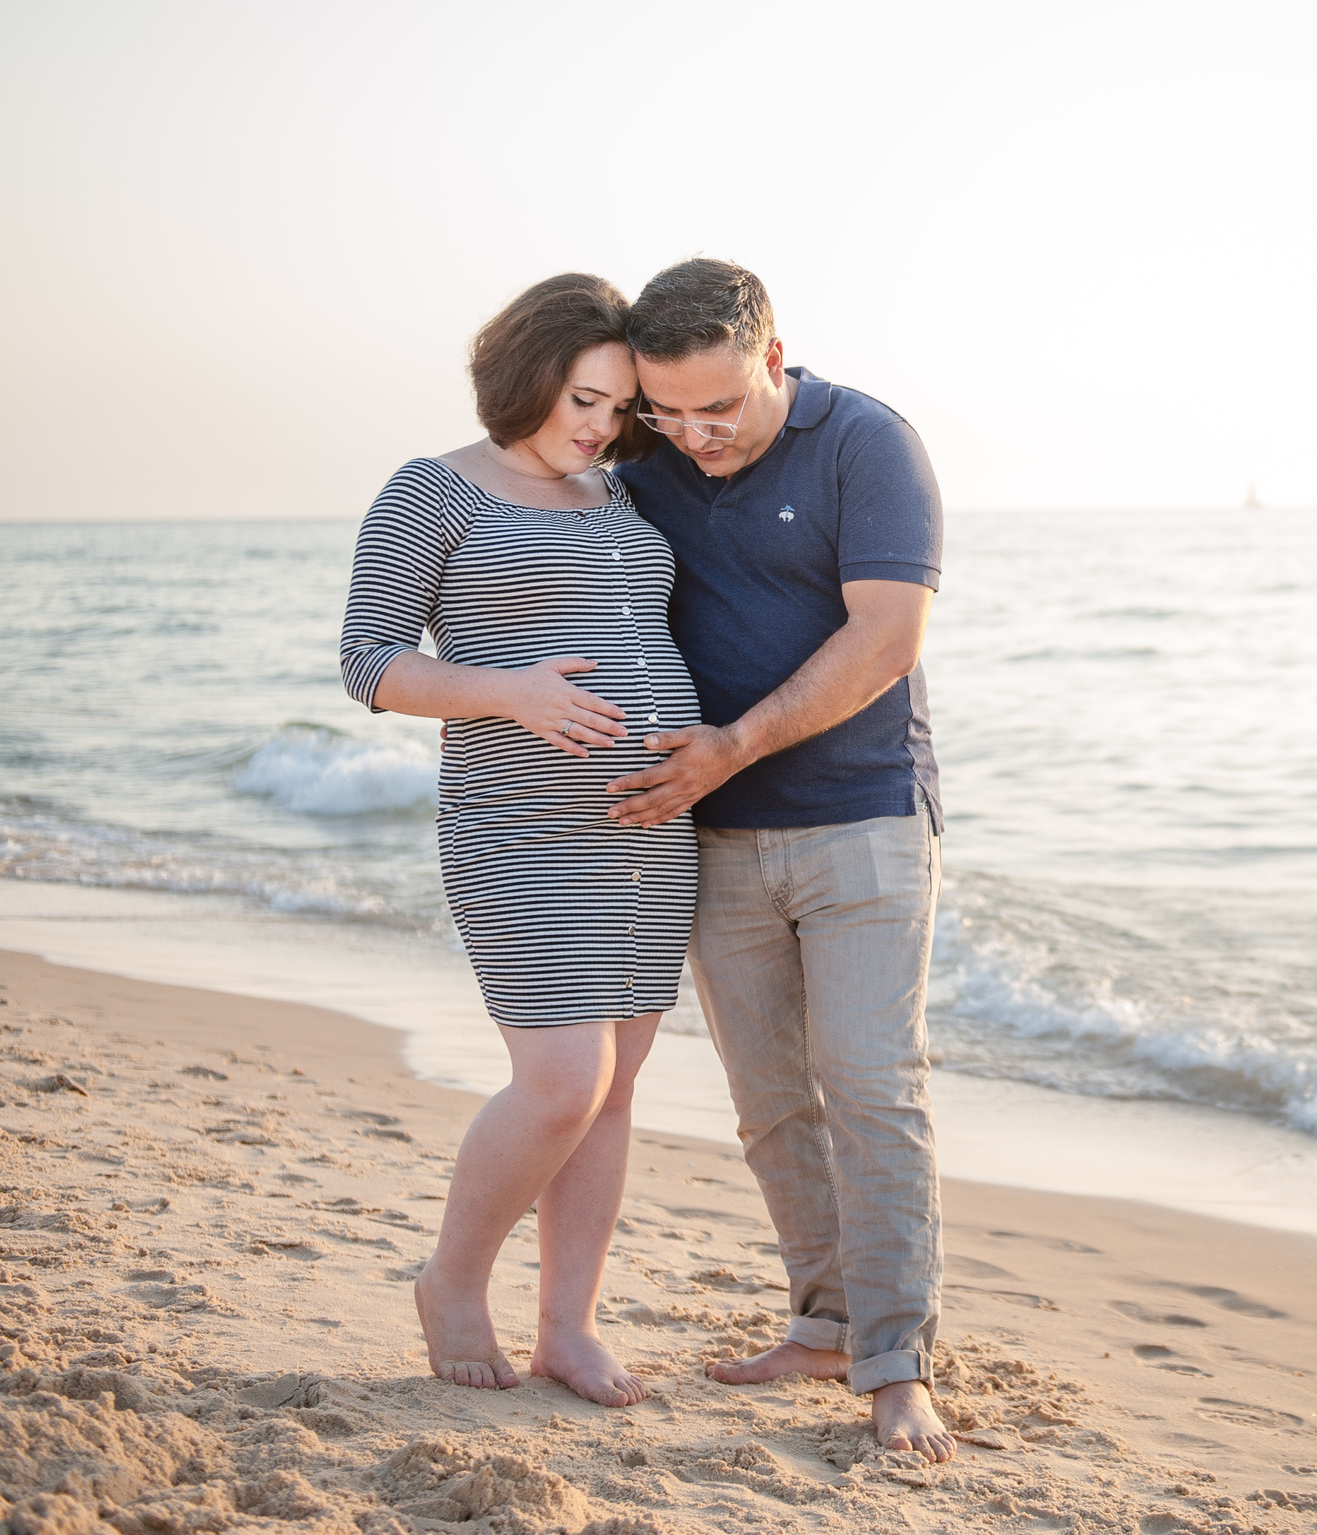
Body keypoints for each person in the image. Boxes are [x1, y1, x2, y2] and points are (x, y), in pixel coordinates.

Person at [606, 257, 953, 1460]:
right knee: (768, 1101)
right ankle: (823, 1318)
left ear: (773, 356)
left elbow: (888, 637)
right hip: (714, 839)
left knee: (869, 1082)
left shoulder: (865, 440)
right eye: (667, 411)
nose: (693, 436)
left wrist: (732, 746)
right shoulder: (645, 455)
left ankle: (895, 1360)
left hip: (861, 814)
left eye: (719, 407)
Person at [339, 273, 696, 1408]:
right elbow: (371, 661)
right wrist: (510, 693)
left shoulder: (622, 495)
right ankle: (450, 1280)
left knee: (617, 1085)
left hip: (648, 831)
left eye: (617, 407)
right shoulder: (431, 492)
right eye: (583, 397)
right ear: (528, 371)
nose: (598, 425)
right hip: (520, 826)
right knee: (561, 1081)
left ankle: (569, 1326)